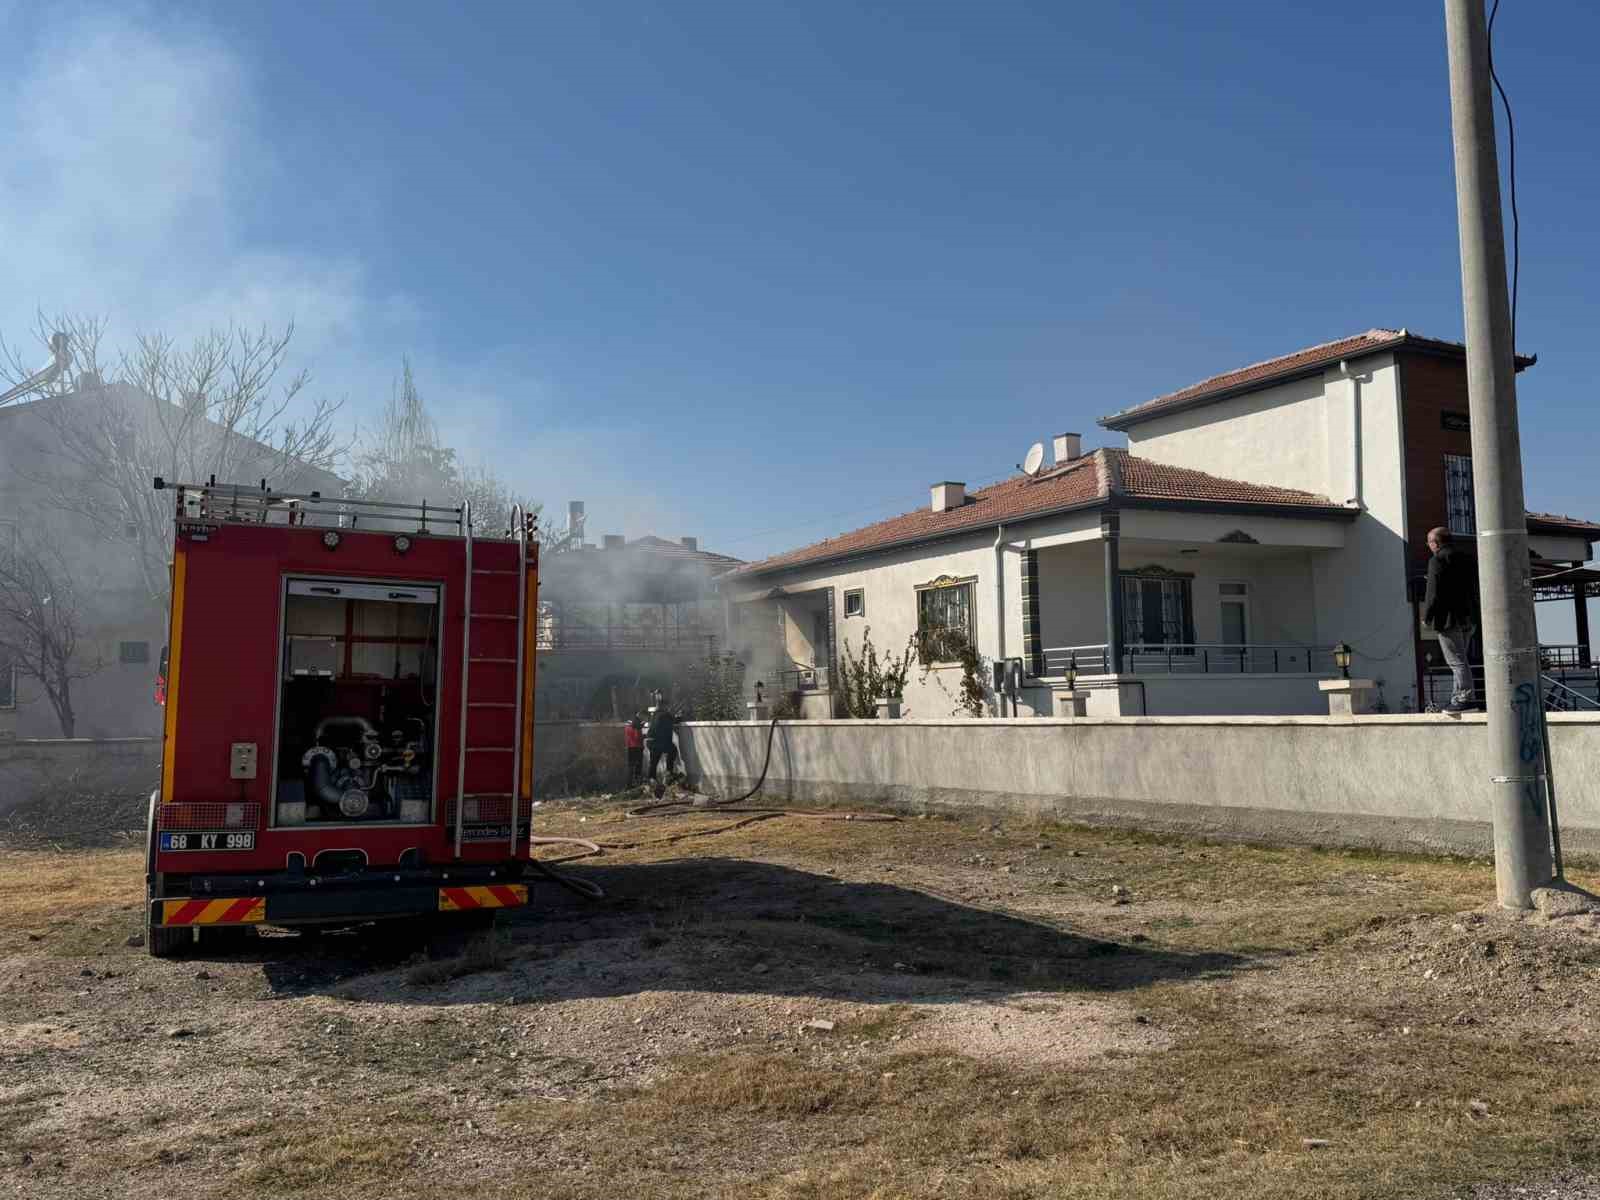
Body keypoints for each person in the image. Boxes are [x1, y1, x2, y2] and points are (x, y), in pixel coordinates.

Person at [1423, 525, 1481, 714]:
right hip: (1469, 617)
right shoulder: (1467, 558)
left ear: (1436, 543)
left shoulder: (1437, 560)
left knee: (1456, 661)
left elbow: (1433, 593)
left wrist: (1427, 616)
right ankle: (1458, 698)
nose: (1428, 545)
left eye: (1429, 542)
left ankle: (1465, 698)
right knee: (1461, 659)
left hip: (1448, 620)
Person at [646, 705, 679, 786]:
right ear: (666, 708)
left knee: (653, 762)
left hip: (651, 742)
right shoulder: (665, 715)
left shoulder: (654, 715)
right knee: (673, 751)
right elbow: (673, 720)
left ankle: (651, 779)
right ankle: (668, 773)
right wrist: (678, 717)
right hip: (660, 742)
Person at [623, 714, 644, 786]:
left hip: (629, 747)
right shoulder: (636, 726)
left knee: (630, 767)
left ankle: (629, 784)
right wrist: (644, 736)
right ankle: (638, 783)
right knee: (638, 766)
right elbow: (637, 737)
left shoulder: (627, 725)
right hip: (637, 747)